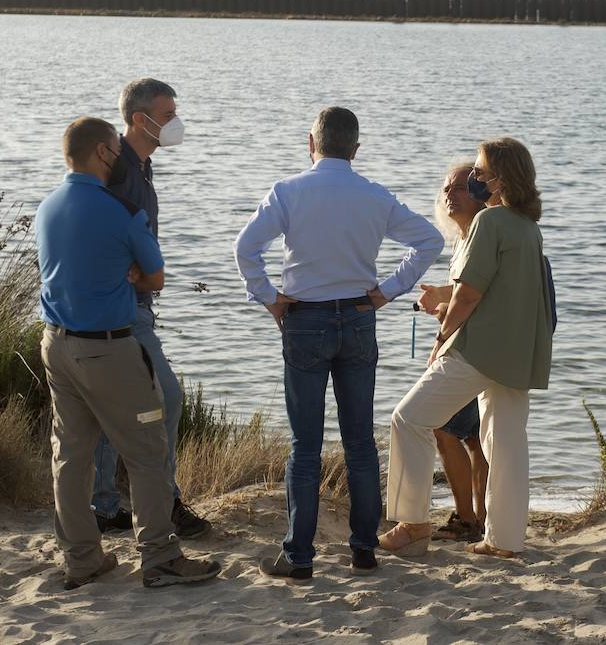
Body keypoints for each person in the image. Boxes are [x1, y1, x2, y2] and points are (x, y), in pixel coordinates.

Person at [233, 107, 444, 580]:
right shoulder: (374, 195)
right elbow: (429, 241)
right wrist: (389, 290)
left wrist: (269, 298)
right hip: (358, 317)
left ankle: (299, 557)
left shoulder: (288, 192)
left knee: (305, 445)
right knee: (360, 442)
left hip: (305, 319)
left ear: (311, 143)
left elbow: (245, 249)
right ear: (356, 149)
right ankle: (363, 550)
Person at [36, 116, 221, 590]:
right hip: (109, 349)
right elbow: (155, 277)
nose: (119, 157)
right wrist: (136, 274)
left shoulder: (47, 207)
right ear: (102, 152)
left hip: (56, 344)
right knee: (147, 451)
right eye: (115, 150)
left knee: (70, 456)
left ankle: (82, 559)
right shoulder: (121, 212)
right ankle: (160, 557)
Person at [380, 137, 552, 559]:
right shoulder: (528, 227)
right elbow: (503, 291)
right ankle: (504, 540)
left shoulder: (489, 222)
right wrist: (446, 297)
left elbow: (469, 295)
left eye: (480, 171)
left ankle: (413, 525)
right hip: (518, 354)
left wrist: (441, 340)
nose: (473, 177)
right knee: (505, 445)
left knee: (409, 419)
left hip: (479, 349)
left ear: (500, 179)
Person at [90, 77, 211, 540]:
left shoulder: (142, 165)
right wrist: (121, 272)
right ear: (140, 119)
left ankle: (103, 506)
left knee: (114, 404)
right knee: (168, 397)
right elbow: (95, 221)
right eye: (168, 114)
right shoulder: (117, 167)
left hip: (135, 303)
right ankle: (166, 503)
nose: (176, 122)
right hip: (122, 306)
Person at [417, 162, 489, 543]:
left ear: (479, 194)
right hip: (471, 351)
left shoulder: (481, 236)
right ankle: (479, 518)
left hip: (470, 352)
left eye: (459, 187)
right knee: (475, 438)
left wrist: (444, 316)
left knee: (442, 427)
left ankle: (467, 517)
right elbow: (466, 292)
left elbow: (475, 300)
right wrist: (442, 299)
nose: (449, 194)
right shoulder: (463, 240)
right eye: (446, 188)